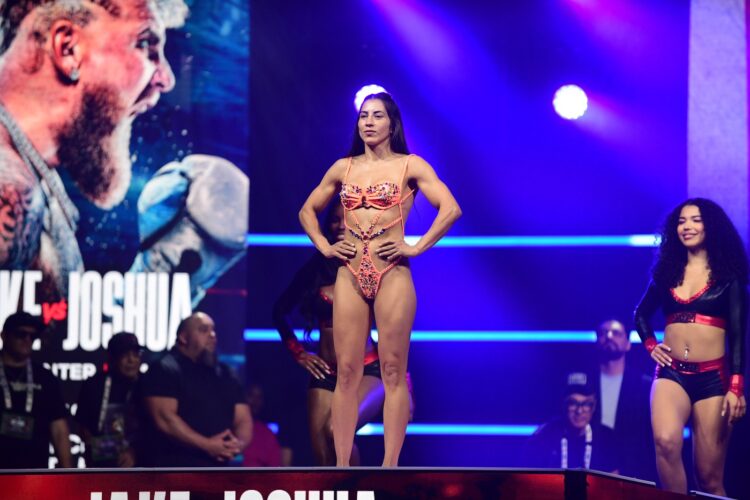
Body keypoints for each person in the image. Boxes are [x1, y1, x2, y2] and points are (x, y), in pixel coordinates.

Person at [299, 91, 461, 466]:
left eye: (377, 116)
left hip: (392, 272)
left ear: (392, 124)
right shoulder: (343, 168)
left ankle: (389, 466)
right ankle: (341, 467)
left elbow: (450, 208)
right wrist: (325, 246)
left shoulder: (410, 165)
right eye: (363, 116)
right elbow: (307, 211)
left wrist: (416, 247)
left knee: (392, 370)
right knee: (347, 372)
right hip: (351, 272)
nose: (368, 122)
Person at [0, 0, 187, 298]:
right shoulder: (11, 189)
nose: (166, 78)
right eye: (145, 43)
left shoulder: (33, 175)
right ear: (68, 48)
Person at [634, 198, 747, 495]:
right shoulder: (667, 273)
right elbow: (640, 314)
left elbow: (738, 335)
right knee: (665, 442)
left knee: (708, 478)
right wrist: (651, 345)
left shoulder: (729, 278)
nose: (688, 226)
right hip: (671, 374)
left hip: (713, 380)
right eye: (682, 221)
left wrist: (736, 387)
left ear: (711, 226)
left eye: (696, 220)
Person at [274, 202, 388, 465]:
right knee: (324, 460)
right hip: (325, 374)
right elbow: (279, 311)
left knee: (336, 431)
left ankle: (362, 489)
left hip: (366, 371)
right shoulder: (315, 269)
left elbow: (395, 331)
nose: (339, 226)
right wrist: (298, 353)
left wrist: (405, 384)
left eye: (345, 220)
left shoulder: (374, 268)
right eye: (334, 220)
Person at [139, 312, 252, 466]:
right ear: (184, 337)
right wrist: (207, 445)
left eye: (213, 330)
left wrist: (236, 445)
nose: (212, 335)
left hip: (218, 470)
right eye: (203, 330)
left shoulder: (227, 374)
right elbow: (165, 419)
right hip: (175, 469)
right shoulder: (164, 369)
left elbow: (243, 419)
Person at [0, 312, 71, 468]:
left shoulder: (45, 377)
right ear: (4, 336)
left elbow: (59, 430)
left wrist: (68, 474)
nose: (27, 340)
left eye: (32, 336)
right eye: (21, 334)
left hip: (34, 473)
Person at [590, 319, 654, 479]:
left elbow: (647, 436)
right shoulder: (585, 383)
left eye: (616, 333)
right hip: (590, 468)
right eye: (603, 333)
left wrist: (625, 467)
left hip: (634, 473)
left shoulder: (645, 385)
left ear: (628, 344)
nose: (609, 336)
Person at [524, 372, 619, 472]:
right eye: (573, 403)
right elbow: (527, 477)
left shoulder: (606, 438)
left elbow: (614, 479)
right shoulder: (543, 436)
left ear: (594, 406)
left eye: (586, 404)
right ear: (563, 404)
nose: (579, 411)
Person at [75, 332, 142, 468]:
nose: (131, 360)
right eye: (125, 355)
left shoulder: (148, 386)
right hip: (101, 465)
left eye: (135, 354)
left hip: (140, 465)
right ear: (113, 358)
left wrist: (135, 451)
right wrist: (100, 446)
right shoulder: (94, 385)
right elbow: (83, 428)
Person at [241, 383, 292, 467]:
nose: (255, 401)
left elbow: (274, 467)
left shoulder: (267, 433)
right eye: (251, 395)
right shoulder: (228, 429)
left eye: (259, 397)